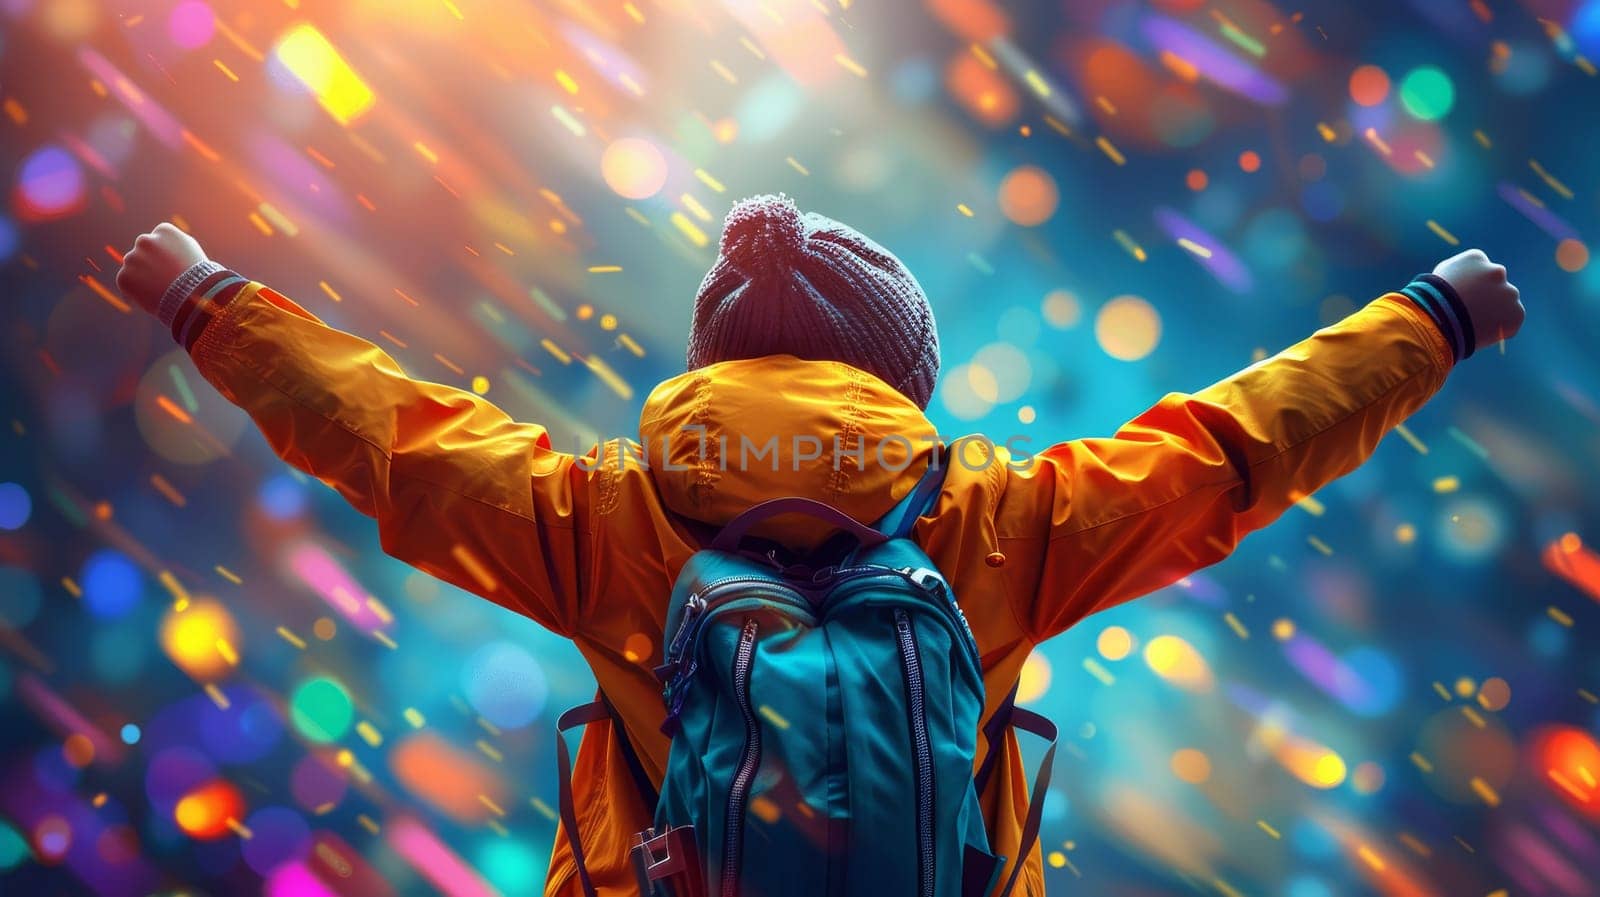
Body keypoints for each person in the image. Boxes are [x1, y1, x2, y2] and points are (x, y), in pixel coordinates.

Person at [116, 194, 1523, 896]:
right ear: (901, 377)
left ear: (710, 359)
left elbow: (387, 436)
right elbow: (1239, 441)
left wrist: (207, 300)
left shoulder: (599, 516)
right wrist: (1432, 319)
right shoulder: (1002, 521)